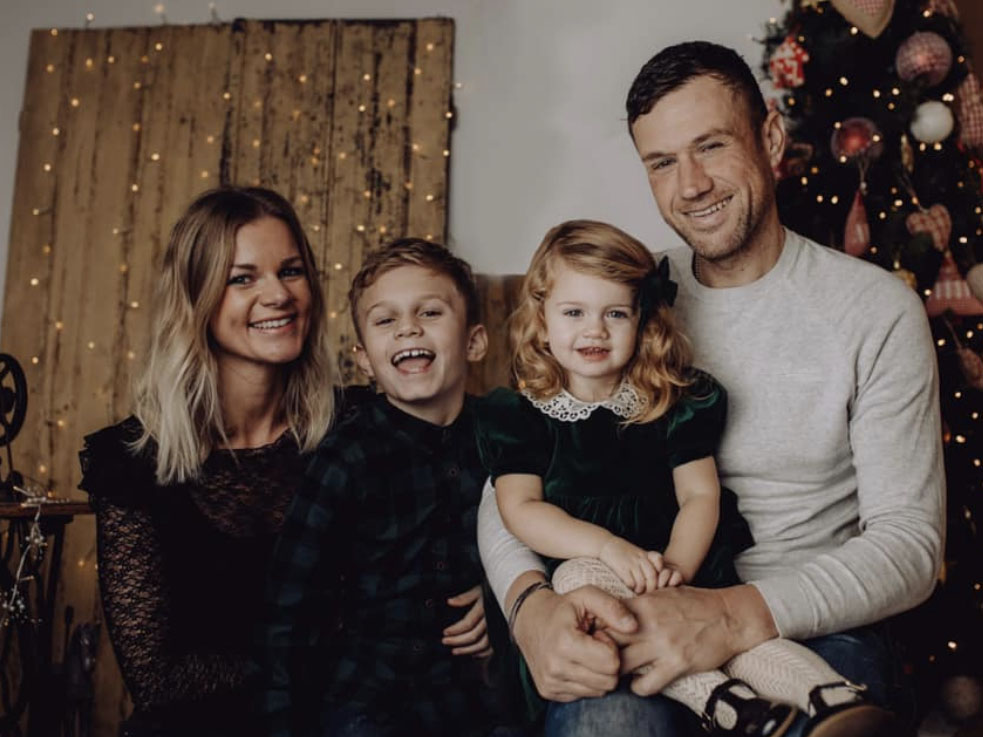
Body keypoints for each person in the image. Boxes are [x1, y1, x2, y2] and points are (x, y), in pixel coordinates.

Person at [478, 41, 944, 737]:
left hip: (806, 620)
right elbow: (511, 481)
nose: (689, 184)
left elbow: (909, 547)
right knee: (610, 724)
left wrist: (729, 615)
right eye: (661, 162)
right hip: (629, 597)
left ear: (770, 137)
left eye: (709, 146)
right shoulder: (619, 297)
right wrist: (528, 607)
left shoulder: (872, 310)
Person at [477, 218, 901, 737]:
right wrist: (608, 548)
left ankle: (830, 697)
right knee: (573, 578)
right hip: (597, 589)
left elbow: (700, 495)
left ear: (642, 321)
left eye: (615, 313)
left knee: (749, 643)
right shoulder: (522, 416)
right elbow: (520, 509)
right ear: (541, 318)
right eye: (574, 312)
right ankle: (731, 704)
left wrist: (676, 570)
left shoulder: (670, 402)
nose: (595, 330)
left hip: (683, 573)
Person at [78, 186, 337, 737]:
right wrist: (307, 656)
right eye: (243, 278)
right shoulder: (131, 463)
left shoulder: (352, 430)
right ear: (198, 297)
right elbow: (156, 678)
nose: (278, 295)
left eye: (290, 271)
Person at [262, 239, 518, 737]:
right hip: (372, 700)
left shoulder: (509, 435)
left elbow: (557, 531)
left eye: (430, 312)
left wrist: (504, 598)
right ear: (364, 359)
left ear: (474, 341)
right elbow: (287, 612)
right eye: (386, 320)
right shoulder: (347, 457)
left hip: (481, 701)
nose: (408, 328)